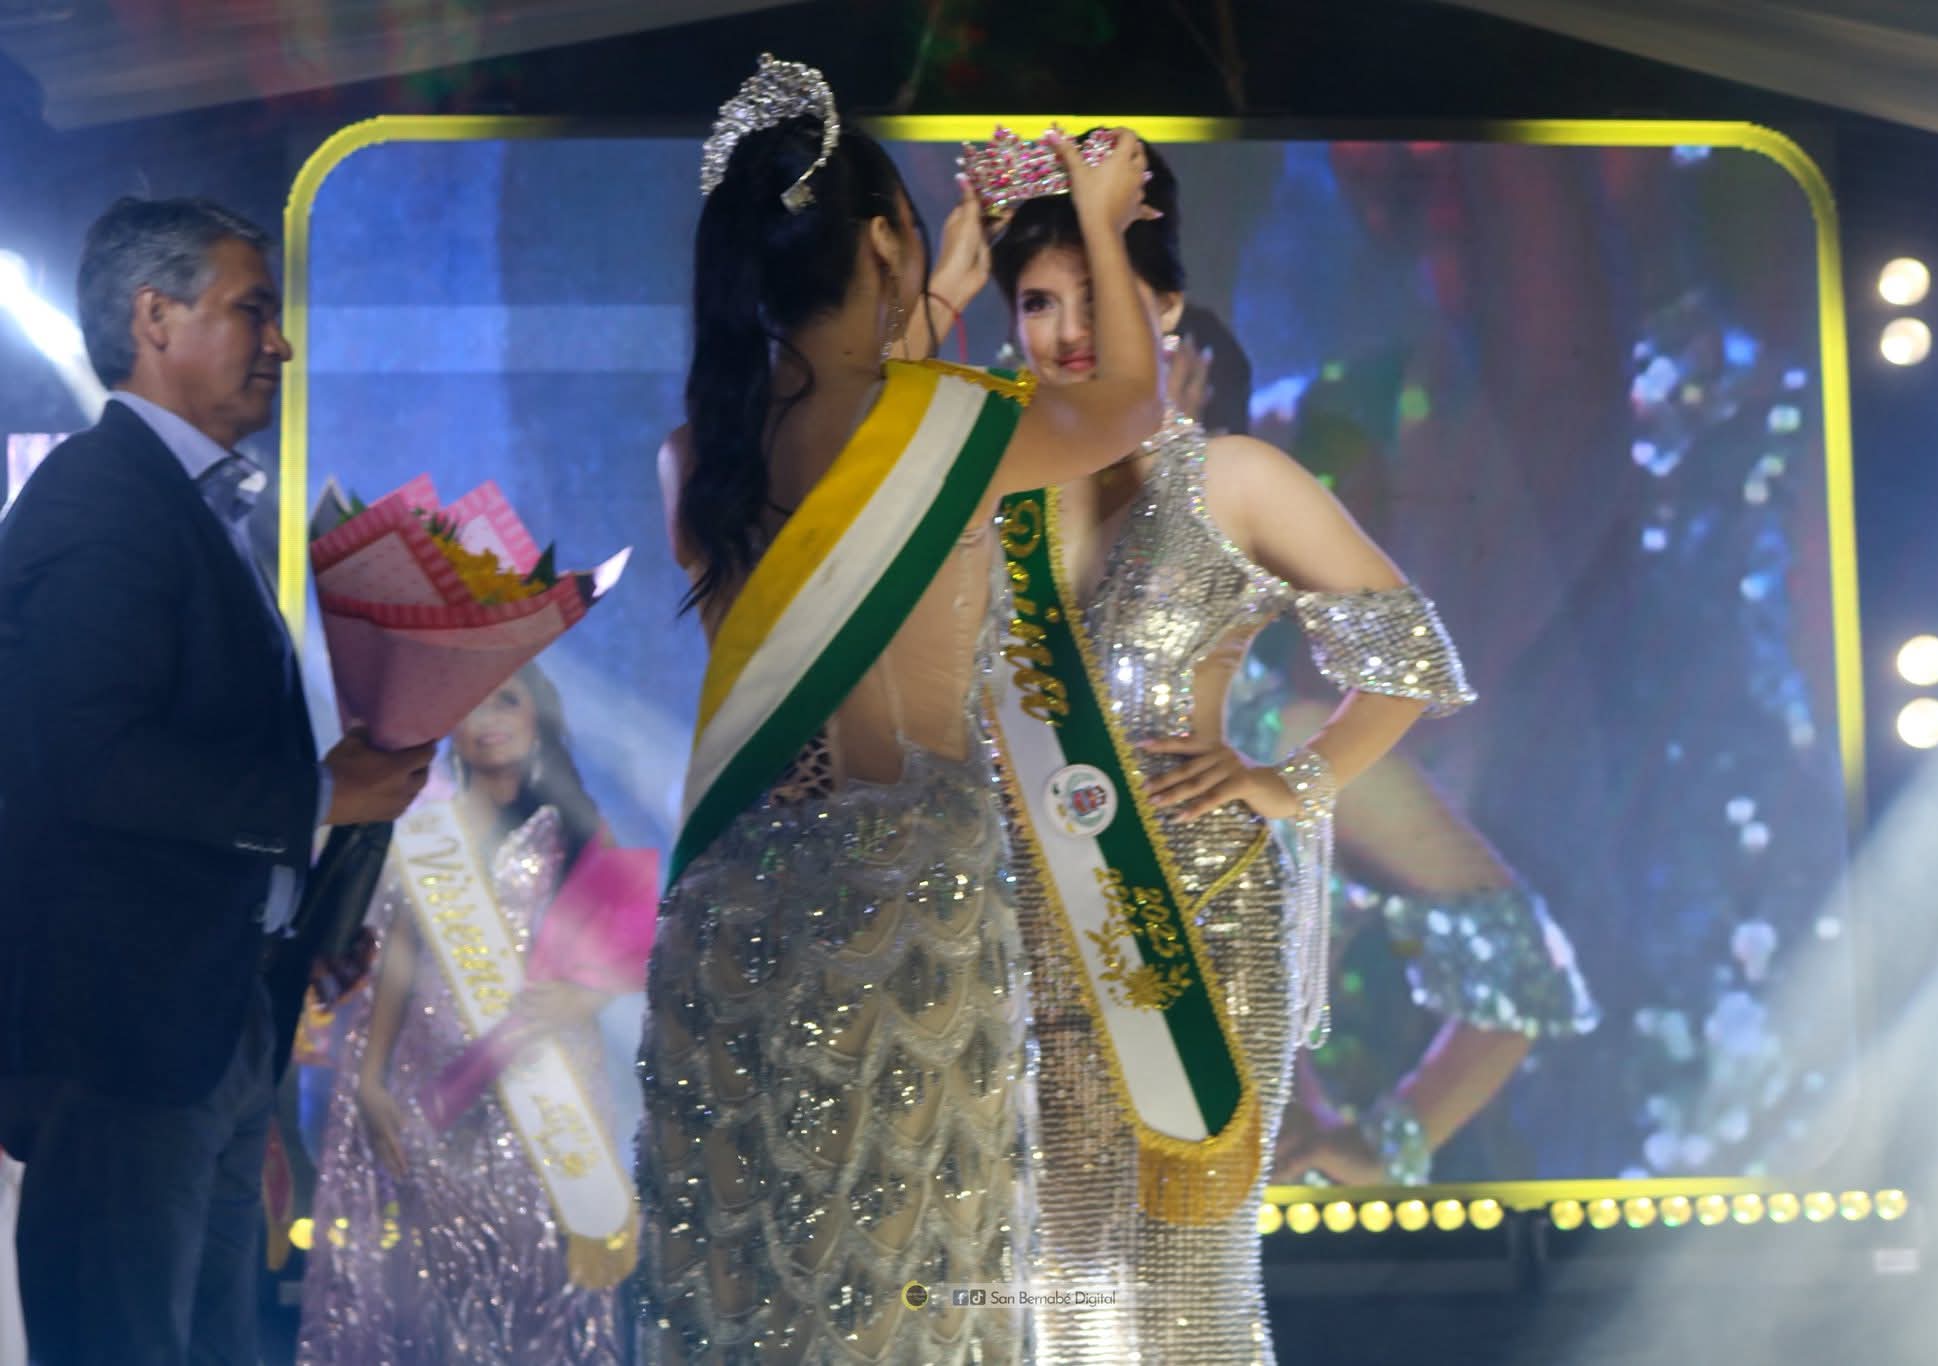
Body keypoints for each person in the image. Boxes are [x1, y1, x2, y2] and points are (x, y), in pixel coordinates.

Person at [636, 57, 1160, 1363]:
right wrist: (1099, 219)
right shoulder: (958, 424)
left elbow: (850, 454)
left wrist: (932, 295)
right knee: (908, 1268)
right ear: (880, 240)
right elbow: (1130, 405)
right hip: (907, 915)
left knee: (753, 1274)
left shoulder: (700, 452)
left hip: (738, 908)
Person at [977, 137, 1474, 1364]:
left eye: (1097, 298)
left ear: (1163, 309)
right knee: (1056, 1282)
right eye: (1037, 304)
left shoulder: (1231, 479)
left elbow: (1405, 655)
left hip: (1193, 918)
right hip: (1018, 921)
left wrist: (1291, 780)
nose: (1066, 332)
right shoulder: (993, 491)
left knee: (1185, 1291)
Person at [0, 196, 436, 1365]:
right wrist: (319, 799)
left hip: (215, 1017)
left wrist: (306, 907)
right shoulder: (99, 496)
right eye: (254, 310)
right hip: (128, 1039)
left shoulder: (180, 503)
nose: (279, 344)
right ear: (156, 318)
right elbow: (89, 761)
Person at [298, 663, 649, 1364]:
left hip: (541, 1081)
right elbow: (396, 958)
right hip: (432, 1077)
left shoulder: (577, 832)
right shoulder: (429, 835)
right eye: (472, 707)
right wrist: (370, 1077)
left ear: (536, 717)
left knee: (534, 1269)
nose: (488, 721)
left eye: (506, 702)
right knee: (437, 1278)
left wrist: (581, 998)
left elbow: (624, 943)